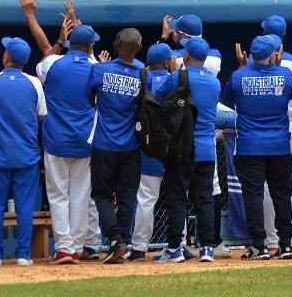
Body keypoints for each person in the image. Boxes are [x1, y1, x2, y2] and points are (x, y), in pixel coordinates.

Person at [224, 36, 292, 260]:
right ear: (273, 55)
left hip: (249, 146)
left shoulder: (238, 76)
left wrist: (244, 68)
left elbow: (228, 100)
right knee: (282, 195)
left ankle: (259, 246)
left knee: (253, 195)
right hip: (279, 146)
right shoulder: (284, 74)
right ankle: (285, 244)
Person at [0, 35, 44, 267]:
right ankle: (23, 255)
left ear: (7, 57)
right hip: (26, 154)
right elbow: (40, 115)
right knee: (25, 207)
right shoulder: (34, 82)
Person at [156, 37, 222, 263]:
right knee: (205, 199)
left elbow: (157, 99)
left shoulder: (177, 77)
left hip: (181, 148)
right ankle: (207, 248)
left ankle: (174, 248)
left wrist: (173, 74)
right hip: (206, 149)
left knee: (177, 198)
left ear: (186, 56)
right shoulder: (214, 82)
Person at [38, 23, 98, 264]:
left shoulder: (52, 63)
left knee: (58, 195)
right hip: (84, 139)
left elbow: (43, 63)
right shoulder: (96, 67)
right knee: (81, 196)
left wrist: (60, 41)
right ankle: (76, 247)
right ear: (90, 46)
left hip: (56, 138)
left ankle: (63, 247)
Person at [88, 29, 145, 264]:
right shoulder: (144, 74)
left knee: (100, 194)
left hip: (104, 144)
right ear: (138, 49)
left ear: (117, 44)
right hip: (131, 146)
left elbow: (90, 99)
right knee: (126, 197)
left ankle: (115, 240)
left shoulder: (99, 69)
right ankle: (120, 242)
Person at [127, 43, 175, 262]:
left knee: (146, 199)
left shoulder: (142, 79)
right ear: (166, 62)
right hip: (175, 148)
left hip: (149, 148)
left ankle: (139, 247)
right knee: (178, 199)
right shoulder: (175, 81)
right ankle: (179, 245)